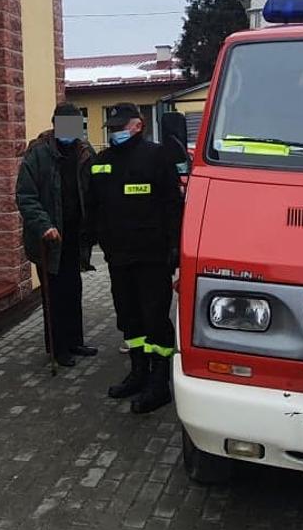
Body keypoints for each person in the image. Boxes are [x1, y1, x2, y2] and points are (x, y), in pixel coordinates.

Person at [85, 103, 184, 414]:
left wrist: (174, 248)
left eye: (119, 127)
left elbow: (173, 206)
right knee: (129, 318)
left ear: (138, 125)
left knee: (155, 319)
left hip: (152, 257)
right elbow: (92, 208)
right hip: (118, 257)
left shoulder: (158, 157)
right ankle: (139, 371)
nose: (115, 132)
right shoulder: (101, 162)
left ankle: (160, 382)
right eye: (111, 128)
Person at [16, 103, 98, 367]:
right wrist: (44, 225)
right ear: (54, 124)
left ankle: (75, 341)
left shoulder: (86, 152)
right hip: (49, 238)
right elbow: (26, 197)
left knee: (73, 289)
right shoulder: (37, 154)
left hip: (75, 235)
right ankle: (58, 348)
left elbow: (95, 189)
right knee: (55, 294)